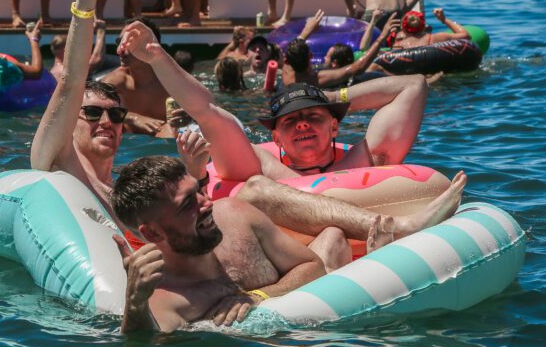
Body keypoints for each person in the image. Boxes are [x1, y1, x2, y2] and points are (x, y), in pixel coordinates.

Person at [116, 20, 467, 251]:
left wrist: (329, 99)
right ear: (277, 138)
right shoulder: (260, 166)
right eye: (289, 122)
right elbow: (206, 111)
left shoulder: (362, 162)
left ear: (334, 127)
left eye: (312, 118)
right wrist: (158, 58)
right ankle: (392, 226)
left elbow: (412, 86)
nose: (301, 125)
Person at [113, 155, 335, 333]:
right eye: (187, 204)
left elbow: (313, 265)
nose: (207, 204)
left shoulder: (235, 215)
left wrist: (259, 296)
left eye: (198, 191)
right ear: (152, 232)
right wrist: (135, 305)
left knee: (333, 236)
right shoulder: (165, 298)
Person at [30, 0, 126, 217]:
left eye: (116, 114)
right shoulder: (58, 160)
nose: (107, 121)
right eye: (94, 113)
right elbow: (71, 82)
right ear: (71, 120)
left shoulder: (126, 192)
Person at [281, 9, 398, 87]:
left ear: (286, 60)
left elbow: (294, 48)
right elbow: (358, 68)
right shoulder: (316, 80)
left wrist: (306, 31)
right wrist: (383, 35)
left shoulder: (286, 73)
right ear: (311, 56)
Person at [389, 9, 471, 50]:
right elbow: (466, 36)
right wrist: (444, 19)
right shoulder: (437, 38)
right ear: (424, 26)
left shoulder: (398, 45)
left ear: (403, 28)